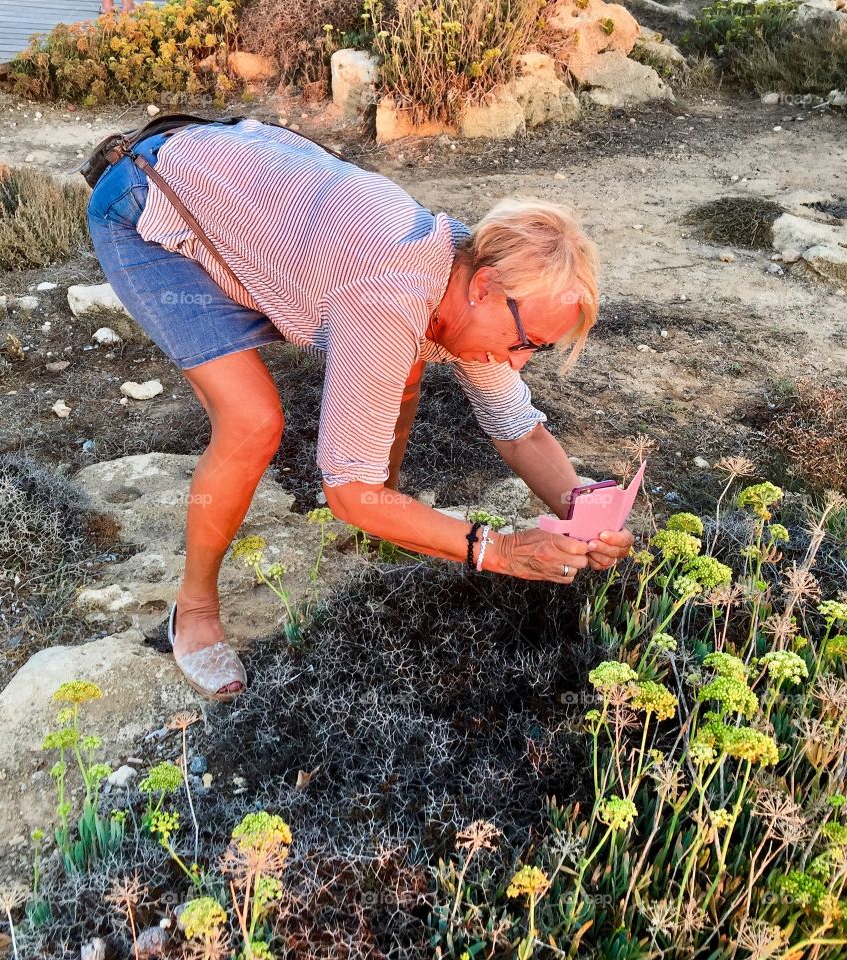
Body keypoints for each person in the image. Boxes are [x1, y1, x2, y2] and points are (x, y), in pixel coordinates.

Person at [85, 118, 634, 701]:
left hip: (248, 196)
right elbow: (346, 494)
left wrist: (581, 510)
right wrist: (494, 550)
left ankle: (387, 520)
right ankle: (192, 610)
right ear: (485, 288)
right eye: (525, 342)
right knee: (252, 421)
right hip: (150, 203)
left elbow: (517, 430)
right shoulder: (393, 295)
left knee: (405, 363)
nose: (519, 363)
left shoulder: (474, 276)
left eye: (539, 350)